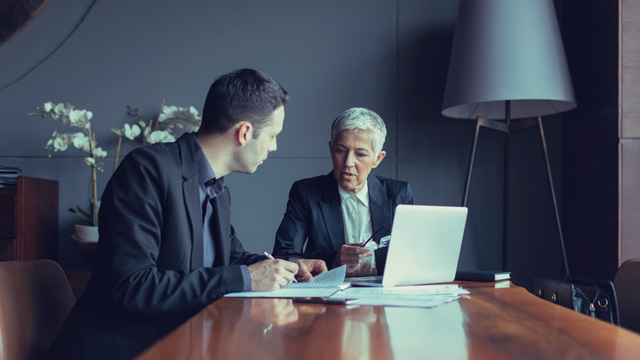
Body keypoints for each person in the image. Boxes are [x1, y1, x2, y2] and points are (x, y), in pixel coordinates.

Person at [47, 69, 327, 360]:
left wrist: (289, 267)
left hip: (184, 342)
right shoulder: (146, 170)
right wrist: (245, 277)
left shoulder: (217, 187)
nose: (274, 146)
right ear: (244, 133)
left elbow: (232, 257)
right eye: (272, 136)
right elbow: (133, 286)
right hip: (124, 349)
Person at [272, 107, 414, 276]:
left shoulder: (398, 193)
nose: (348, 162)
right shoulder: (305, 193)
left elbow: (412, 254)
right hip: (327, 295)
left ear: (377, 158)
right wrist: (335, 259)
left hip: (384, 293)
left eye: (360, 154)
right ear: (331, 148)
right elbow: (284, 256)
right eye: (340, 151)